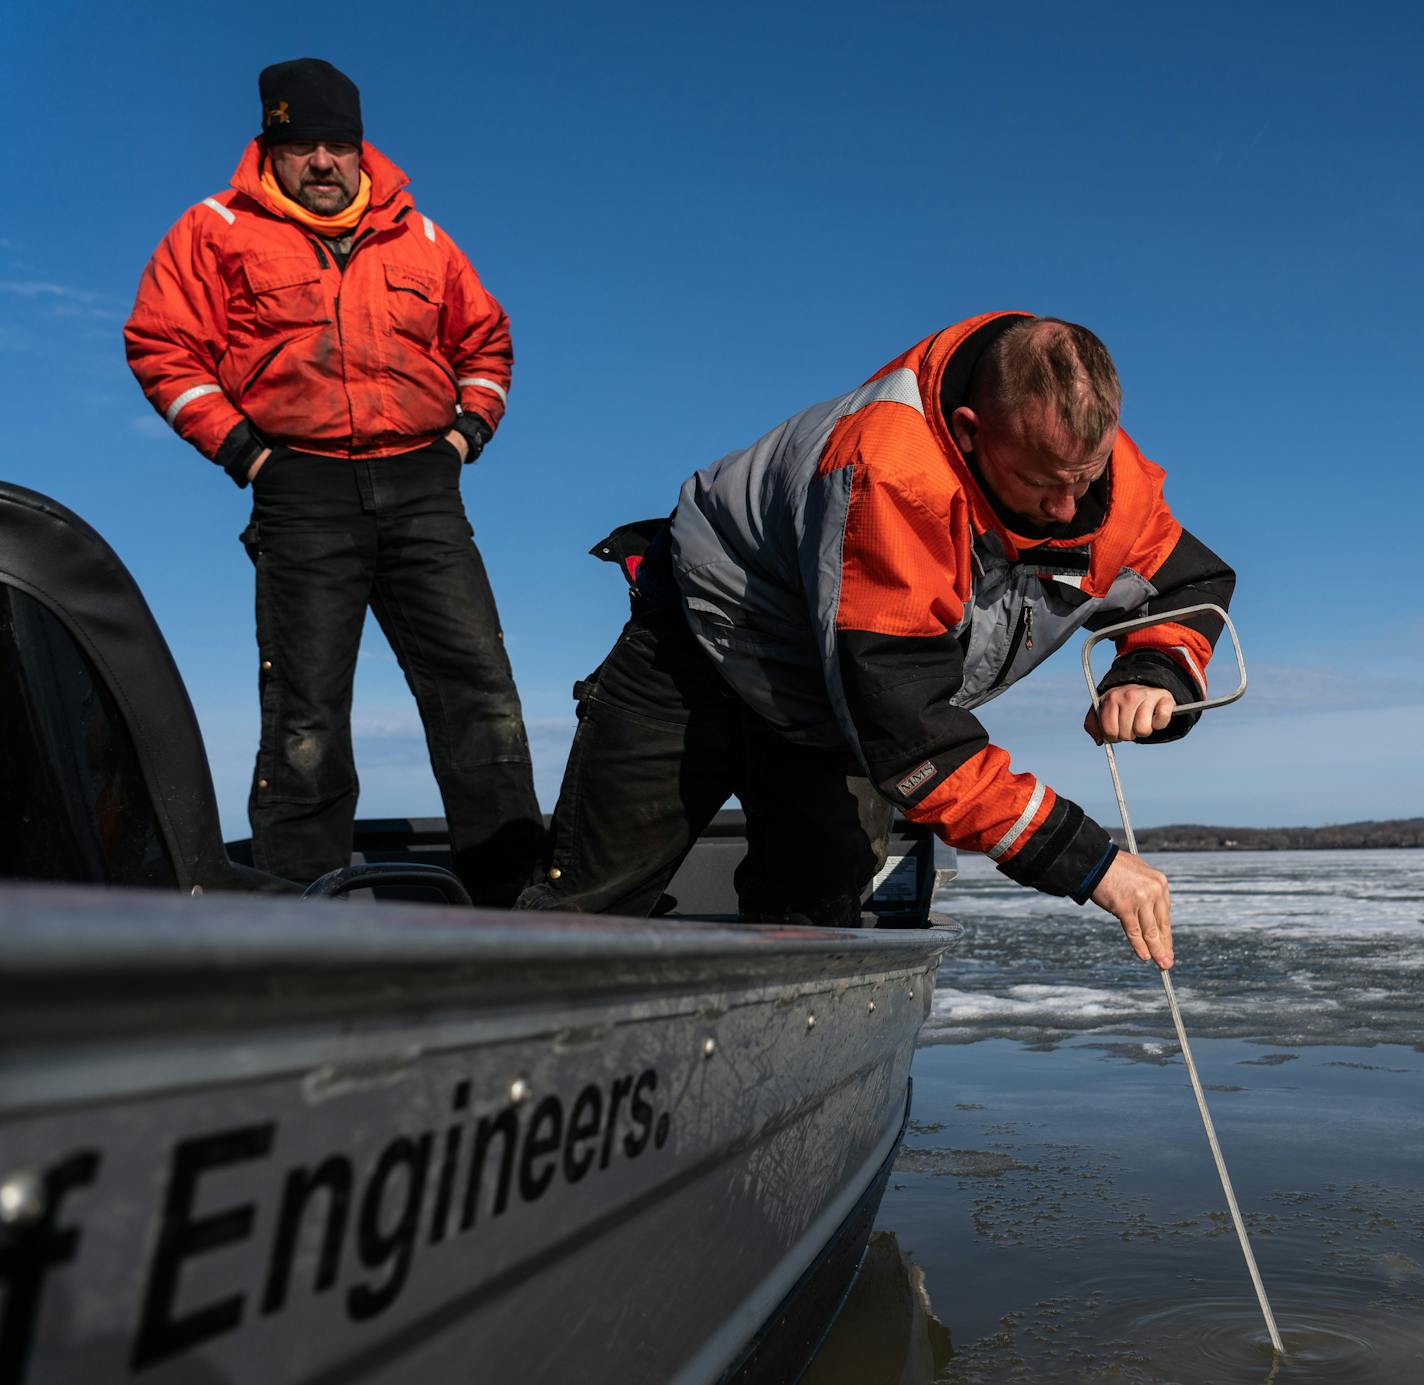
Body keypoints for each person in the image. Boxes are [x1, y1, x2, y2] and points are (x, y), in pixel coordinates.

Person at [517, 313, 1236, 967]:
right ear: (967, 430)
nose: (1065, 508)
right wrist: (1089, 861)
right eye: (1041, 482)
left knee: (816, 928)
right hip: (699, 646)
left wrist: (1155, 668)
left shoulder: (1108, 487)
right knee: (586, 912)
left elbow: (1189, 583)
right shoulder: (894, 476)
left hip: (837, 704)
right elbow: (911, 736)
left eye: (1082, 477)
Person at [125, 58, 542, 904]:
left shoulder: (420, 237)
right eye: (301, 144)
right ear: (269, 149)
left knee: (481, 694)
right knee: (307, 716)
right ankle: (294, 916)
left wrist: (463, 437)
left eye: (337, 144)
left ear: (361, 149)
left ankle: (517, 898)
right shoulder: (212, 230)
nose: (323, 161)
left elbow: (487, 343)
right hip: (300, 491)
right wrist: (246, 453)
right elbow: (160, 345)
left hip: (424, 485)